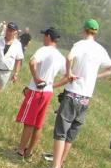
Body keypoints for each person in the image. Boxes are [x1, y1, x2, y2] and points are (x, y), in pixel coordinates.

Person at [38, 19, 111, 168]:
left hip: (73, 93)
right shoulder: (101, 49)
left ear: (84, 30)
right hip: (86, 98)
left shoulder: (80, 45)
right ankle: (59, 166)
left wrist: (69, 74)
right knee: (71, 134)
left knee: (61, 132)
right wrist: (95, 76)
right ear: (95, 32)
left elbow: (69, 57)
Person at [14, 28, 70, 160]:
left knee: (29, 122)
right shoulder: (60, 56)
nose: (43, 38)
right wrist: (53, 85)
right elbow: (68, 76)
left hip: (37, 91)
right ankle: (30, 152)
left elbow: (32, 62)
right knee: (38, 124)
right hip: (48, 93)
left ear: (48, 37)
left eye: (44, 36)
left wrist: (36, 79)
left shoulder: (44, 50)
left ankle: (21, 150)